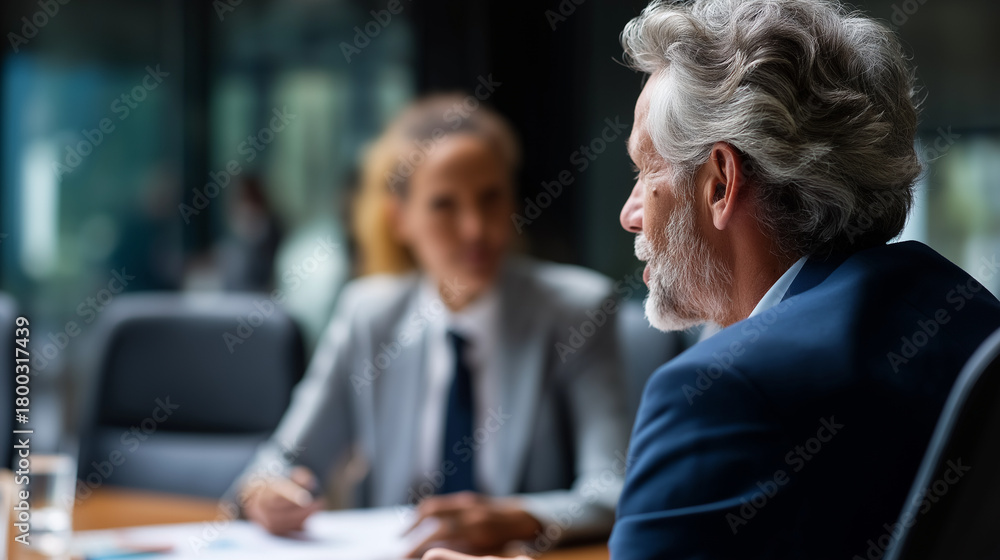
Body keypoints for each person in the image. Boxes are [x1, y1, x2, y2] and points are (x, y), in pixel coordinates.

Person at [424, 0, 1000, 559]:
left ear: (721, 182)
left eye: (644, 169)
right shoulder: (971, 317)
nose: (628, 213)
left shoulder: (716, 393)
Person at [234, 94, 629, 556]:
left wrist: (517, 519)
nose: (475, 229)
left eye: (491, 198)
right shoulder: (369, 315)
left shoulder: (577, 311)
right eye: (445, 205)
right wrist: (265, 492)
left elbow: (613, 489)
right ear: (399, 220)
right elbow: (282, 461)